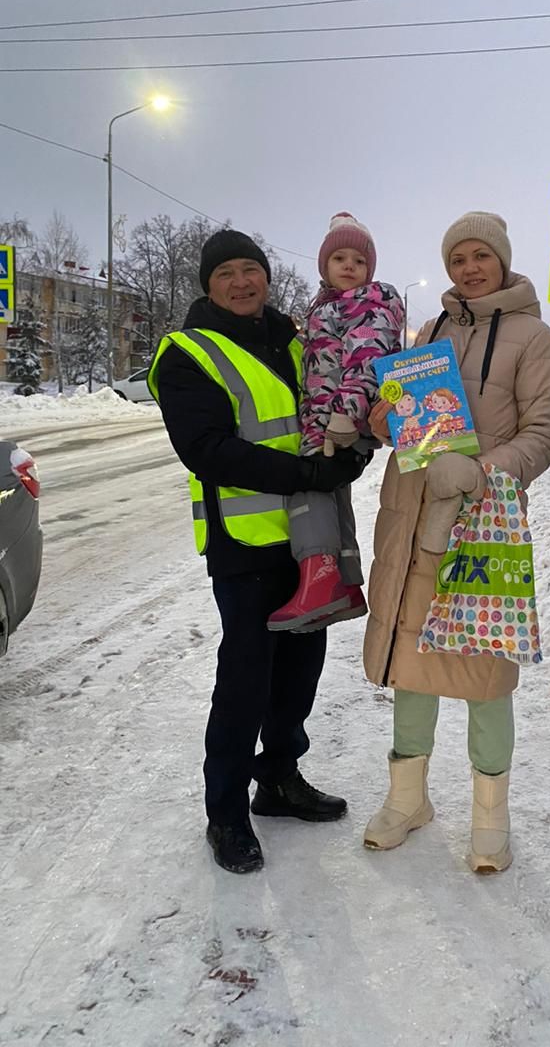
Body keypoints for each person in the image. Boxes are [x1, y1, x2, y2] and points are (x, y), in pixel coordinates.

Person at [149, 229, 369, 874]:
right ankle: (226, 814)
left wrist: (353, 448)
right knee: (246, 678)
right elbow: (206, 450)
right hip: (246, 544)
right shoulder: (187, 352)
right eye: (227, 274)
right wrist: (307, 474)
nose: (242, 282)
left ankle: (278, 780)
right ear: (208, 285)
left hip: (314, 537)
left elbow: (332, 405)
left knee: (301, 668)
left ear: (268, 278)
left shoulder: (300, 339)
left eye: (252, 271)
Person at [361, 212, 550, 872]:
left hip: (483, 526)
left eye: (481, 256)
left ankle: (489, 819)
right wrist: (386, 415)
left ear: (502, 260)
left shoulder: (534, 338)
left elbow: (545, 433)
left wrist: (482, 472)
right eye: (459, 259)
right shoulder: (431, 332)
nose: (470, 269)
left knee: (483, 674)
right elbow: (407, 414)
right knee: (410, 657)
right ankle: (407, 800)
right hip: (414, 517)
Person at [267, 212, 404, 631]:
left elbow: (365, 361)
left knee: (309, 487)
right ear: (324, 266)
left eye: (358, 261)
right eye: (339, 258)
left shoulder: (369, 304)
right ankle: (343, 580)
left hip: (340, 418)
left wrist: (345, 415)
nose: (349, 266)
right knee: (331, 489)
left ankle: (319, 578)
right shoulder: (326, 307)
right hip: (327, 416)